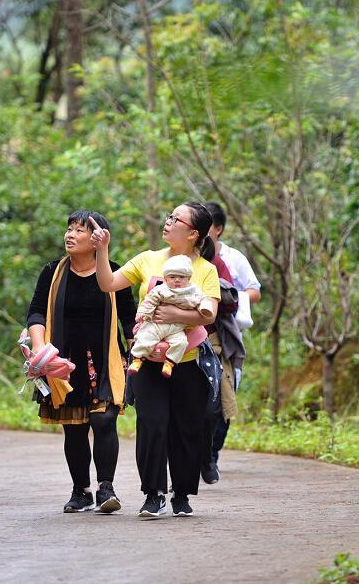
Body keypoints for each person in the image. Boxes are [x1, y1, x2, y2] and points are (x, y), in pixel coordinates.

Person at [92, 202, 220, 518]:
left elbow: (210, 313)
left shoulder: (206, 270)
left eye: (175, 219)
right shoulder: (148, 260)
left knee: (186, 428)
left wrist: (175, 313)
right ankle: (154, 493)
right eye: (168, 216)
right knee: (152, 424)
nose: (168, 221)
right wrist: (102, 251)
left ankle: (182, 494)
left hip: (188, 362)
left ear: (193, 234)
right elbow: (108, 284)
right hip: (148, 363)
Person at [26, 211, 136, 514]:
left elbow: (129, 320)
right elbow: (35, 313)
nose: (70, 235)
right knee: (73, 427)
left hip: (106, 360)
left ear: (97, 239)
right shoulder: (52, 272)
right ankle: (81, 491)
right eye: (69, 228)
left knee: (103, 419)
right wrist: (40, 350)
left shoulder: (116, 273)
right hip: (65, 362)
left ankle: (106, 488)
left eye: (79, 230)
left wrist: (136, 356)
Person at [202, 202, 260, 482]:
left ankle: (211, 454)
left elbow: (254, 290)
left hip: (224, 338)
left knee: (223, 400)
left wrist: (231, 296)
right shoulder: (176, 257)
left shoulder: (229, 259)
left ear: (218, 228)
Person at [128, 255, 214, 378]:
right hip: (156, 324)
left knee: (181, 342)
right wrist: (143, 313)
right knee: (145, 336)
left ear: (189, 278)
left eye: (181, 277)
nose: (177, 280)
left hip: (177, 328)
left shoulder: (193, 291)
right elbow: (150, 300)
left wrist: (205, 309)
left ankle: (170, 363)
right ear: (166, 279)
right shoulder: (161, 290)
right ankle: (137, 359)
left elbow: (203, 300)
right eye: (172, 277)